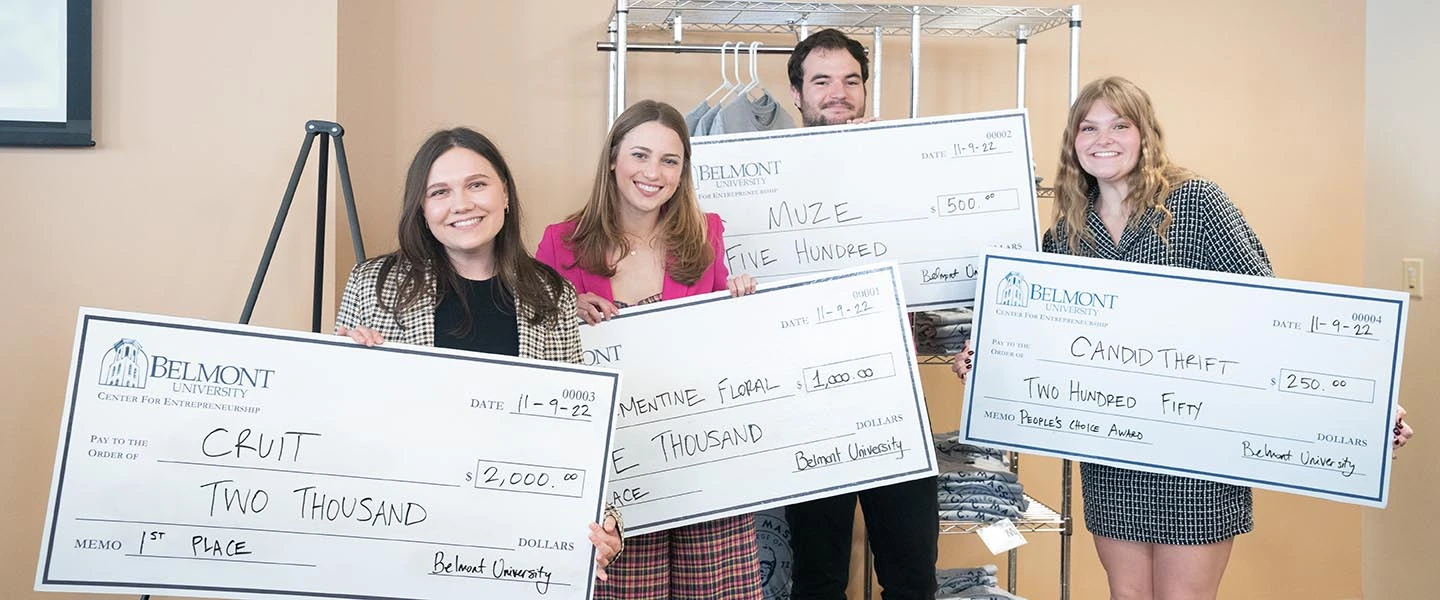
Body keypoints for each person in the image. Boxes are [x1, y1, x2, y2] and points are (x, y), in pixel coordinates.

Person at [951, 76, 1416, 600]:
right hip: (1112, 453)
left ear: (1145, 134)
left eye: (1119, 125)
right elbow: (1039, 339)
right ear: (1073, 142)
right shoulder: (1065, 236)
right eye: (1089, 127)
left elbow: (1275, 313)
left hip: (1197, 452)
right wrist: (988, 360)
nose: (1103, 139)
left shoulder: (1196, 205)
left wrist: (1364, 404)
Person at [333, 126, 624, 579]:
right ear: (422, 209)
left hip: (511, 549)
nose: (462, 204)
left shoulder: (552, 295)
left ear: (504, 193)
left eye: (477, 184)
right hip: (403, 539)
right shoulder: (374, 284)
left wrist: (608, 522)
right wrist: (341, 372)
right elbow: (336, 429)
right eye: (440, 191)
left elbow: (577, 433)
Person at [536, 99, 760, 599]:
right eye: (640, 155)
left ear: (683, 172)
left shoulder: (706, 236)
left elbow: (727, 351)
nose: (653, 173)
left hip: (701, 465)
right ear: (613, 158)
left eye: (669, 160)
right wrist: (564, 312)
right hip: (614, 479)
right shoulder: (560, 244)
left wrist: (743, 304)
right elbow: (536, 354)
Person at [780, 28, 940, 600]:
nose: (838, 93)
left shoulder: (902, 170)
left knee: (911, 574)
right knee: (820, 578)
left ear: (866, 90)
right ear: (797, 93)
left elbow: (941, 258)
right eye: (821, 80)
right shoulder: (764, 177)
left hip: (893, 396)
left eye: (851, 80)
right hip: (806, 400)